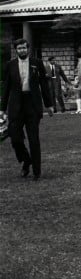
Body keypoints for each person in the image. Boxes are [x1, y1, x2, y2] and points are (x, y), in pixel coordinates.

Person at [0, 39, 54, 179]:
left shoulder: (37, 63)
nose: (22, 50)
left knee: (33, 139)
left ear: (28, 49)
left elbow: (44, 85)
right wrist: (2, 108)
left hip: (32, 105)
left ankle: (36, 172)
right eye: (19, 48)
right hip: (15, 106)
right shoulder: (10, 65)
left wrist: (49, 105)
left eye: (24, 48)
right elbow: (6, 89)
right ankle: (26, 160)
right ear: (16, 50)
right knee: (15, 139)